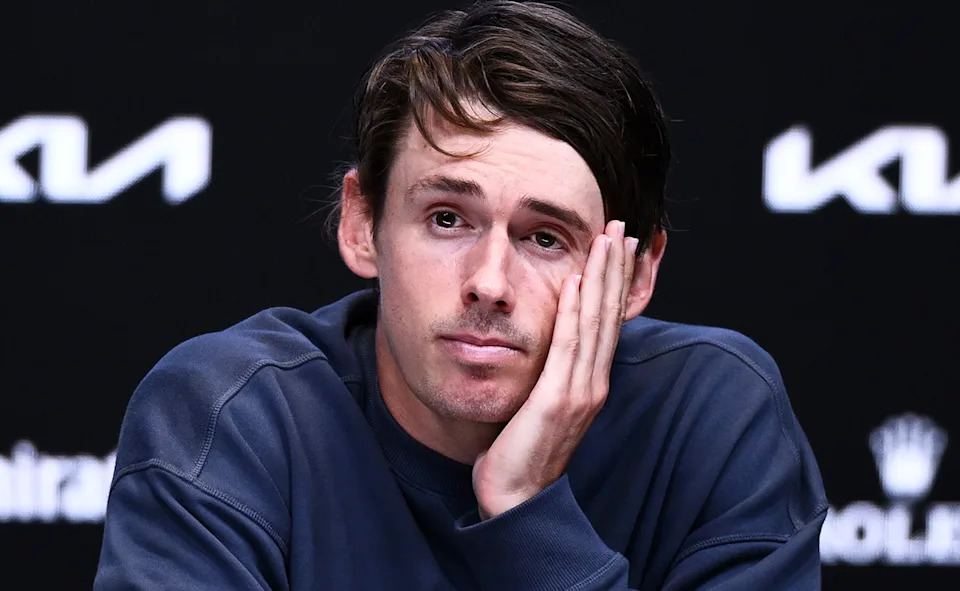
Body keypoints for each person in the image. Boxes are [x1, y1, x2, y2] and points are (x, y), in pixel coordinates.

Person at [94, 1, 827, 589]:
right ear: (361, 224)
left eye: (545, 236)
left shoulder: (712, 419)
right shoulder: (229, 415)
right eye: (447, 218)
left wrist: (527, 510)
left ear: (635, 274)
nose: (488, 281)